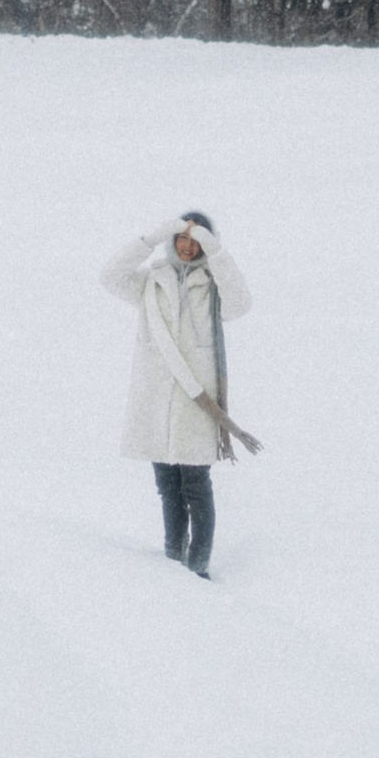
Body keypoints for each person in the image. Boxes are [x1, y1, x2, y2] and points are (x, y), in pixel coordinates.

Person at [99, 209, 254, 575]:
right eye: (180, 238)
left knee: (196, 487)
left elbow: (241, 302)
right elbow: (109, 276)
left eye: (195, 239)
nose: (187, 246)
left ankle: (197, 568)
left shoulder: (214, 286)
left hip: (196, 401)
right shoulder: (151, 282)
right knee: (168, 487)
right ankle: (173, 567)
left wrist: (216, 251)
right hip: (154, 401)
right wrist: (151, 237)